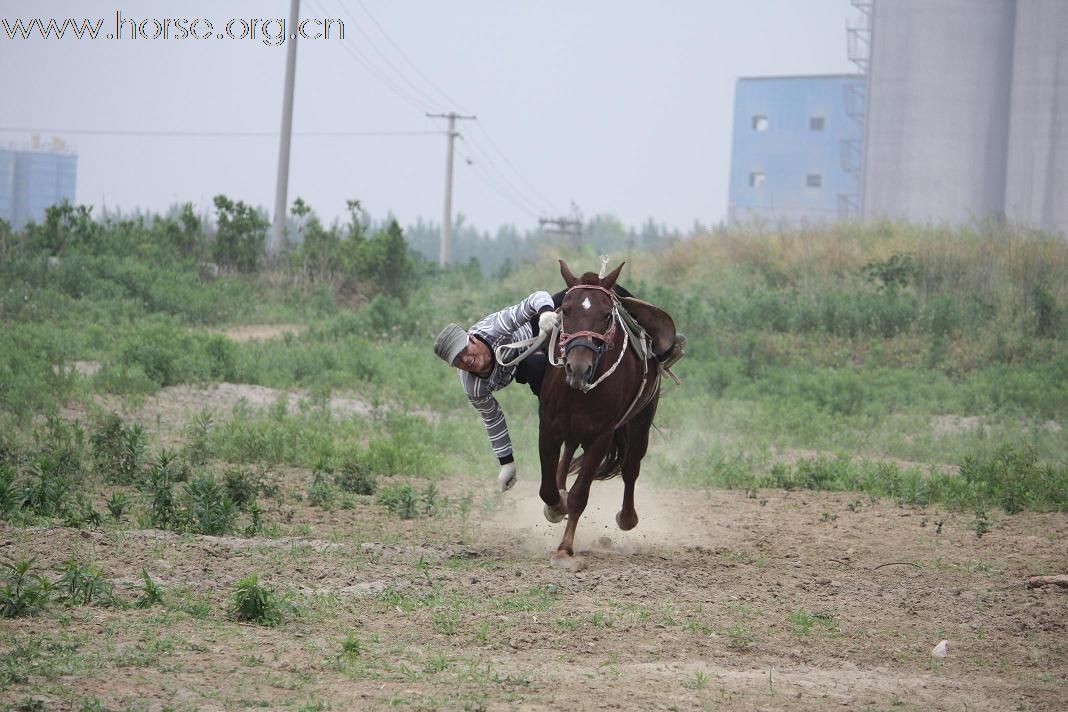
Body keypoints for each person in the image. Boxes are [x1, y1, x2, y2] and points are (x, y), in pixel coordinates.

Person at [433, 288, 685, 493]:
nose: (466, 360)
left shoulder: (493, 328)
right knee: (543, 383)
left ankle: (655, 345)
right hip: (522, 363)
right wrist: (506, 462)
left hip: (536, 325)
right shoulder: (473, 386)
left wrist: (544, 314)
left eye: (466, 351)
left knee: (589, 294)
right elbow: (493, 419)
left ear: (474, 339)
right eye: (458, 361)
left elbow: (534, 299)